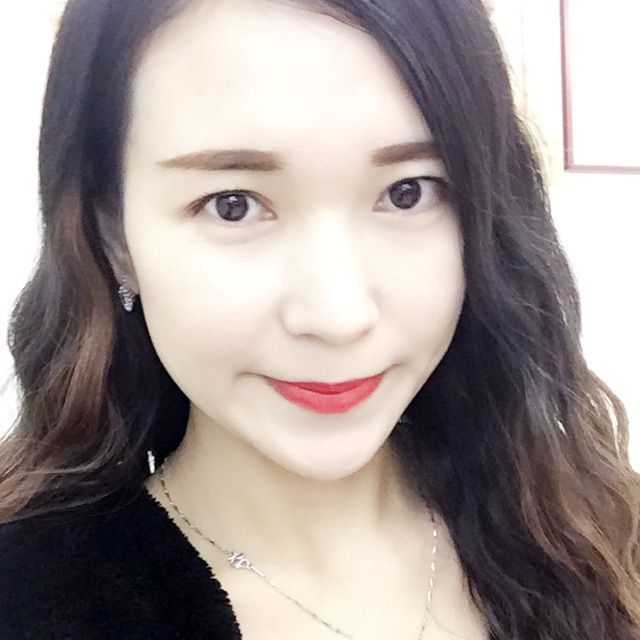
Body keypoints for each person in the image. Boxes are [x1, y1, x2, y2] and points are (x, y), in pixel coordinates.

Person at [0, 0, 638, 638]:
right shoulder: (32, 601)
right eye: (232, 204)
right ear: (113, 237)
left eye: (409, 192)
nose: (338, 315)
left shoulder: (604, 542)